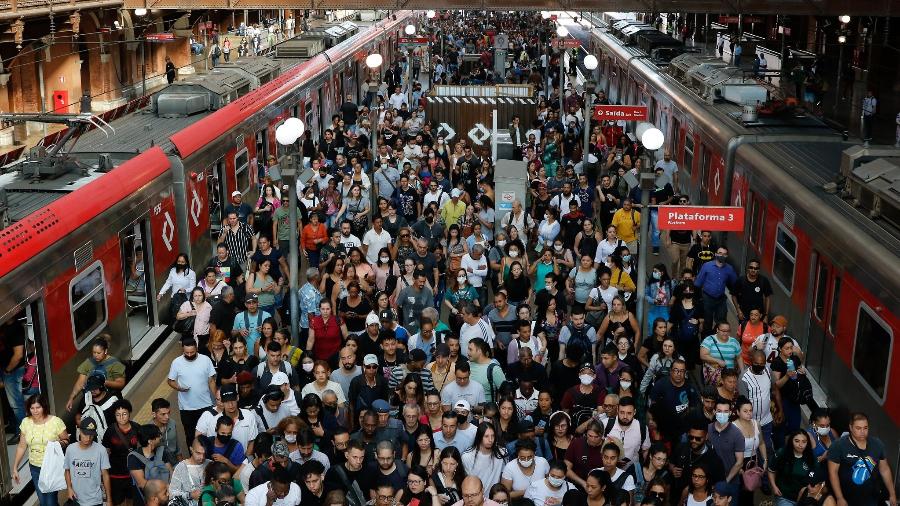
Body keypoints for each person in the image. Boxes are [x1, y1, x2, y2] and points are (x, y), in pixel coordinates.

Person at [827, 412, 897, 506]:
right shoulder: (838, 446)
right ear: (851, 428)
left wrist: (892, 494)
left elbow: (884, 469)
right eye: (858, 428)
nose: (862, 432)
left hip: (870, 498)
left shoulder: (877, 444)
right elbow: (833, 473)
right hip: (848, 498)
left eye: (865, 428)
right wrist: (840, 498)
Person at [12, 394, 68, 506]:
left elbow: (66, 440)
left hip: (51, 467)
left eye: (38, 407)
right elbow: (22, 446)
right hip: (35, 467)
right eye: (32, 408)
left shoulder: (56, 422)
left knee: (50, 503)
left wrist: (56, 444)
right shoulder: (26, 422)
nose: (35, 411)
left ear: (44, 407)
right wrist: (15, 468)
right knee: (43, 502)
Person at [168, 337, 217, 447]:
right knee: (190, 436)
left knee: (209, 433)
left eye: (192, 352)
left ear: (197, 348)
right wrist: (179, 388)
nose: (189, 355)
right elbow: (170, 381)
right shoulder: (176, 362)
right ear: (182, 350)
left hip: (206, 405)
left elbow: (211, 381)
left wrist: (216, 398)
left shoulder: (205, 360)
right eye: (187, 353)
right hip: (186, 408)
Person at [65, 336, 127, 413]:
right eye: (94, 353)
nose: (96, 355)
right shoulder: (88, 363)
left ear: (105, 351)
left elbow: (121, 383)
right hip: (92, 402)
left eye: (98, 353)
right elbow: (80, 383)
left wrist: (104, 382)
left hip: (110, 401)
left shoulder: (115, 364)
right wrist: (71, 398)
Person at [65, 417, 113, 506]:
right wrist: (69, 488)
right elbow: (67, 470)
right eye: (85, 434)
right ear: (80, 431)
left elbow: (105, 475)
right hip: (76, 498)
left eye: (91, 435)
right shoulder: (70, 449)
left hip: (95, 500)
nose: (88, 438)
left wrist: (109, 500)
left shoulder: (101, 450)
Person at [694, 247, 737, 334]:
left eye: (724, 254)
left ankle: (716, 337)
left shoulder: (729, 269)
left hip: (720, 299)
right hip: (707, 298)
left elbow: (736, 283)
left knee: (721, 321)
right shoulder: (707, 266)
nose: (722, 255)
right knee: (707, 322)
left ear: (727, 256)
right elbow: (698, 283)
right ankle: (706, 341)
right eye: (720, 253)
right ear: (716, 254)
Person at [768, 430, 817, 506]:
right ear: (791, 441)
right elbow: (771, 470)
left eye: (804, 442)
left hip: (804, 497)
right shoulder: (782, 453)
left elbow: (815, 474)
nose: (800, 445)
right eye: (797, 441)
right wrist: (774, 486)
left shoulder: (811, 457)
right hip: (784, 496)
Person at [127, 424, 172, 505]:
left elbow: (170, 471)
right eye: (158, 435)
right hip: (147, 500)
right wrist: (162, 493)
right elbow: (142, 483)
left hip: (165, 496)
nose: (160, 437)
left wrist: (168, 491)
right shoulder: (134, 457)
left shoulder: (161, 451)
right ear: (150, 441)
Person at [169, 439, 210, 506]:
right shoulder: (181, 467)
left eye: (204, 454)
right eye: (198, 453)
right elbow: (172, 493)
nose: (202, 457)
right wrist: (190, 495)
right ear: (191, 449)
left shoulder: (210, 464)